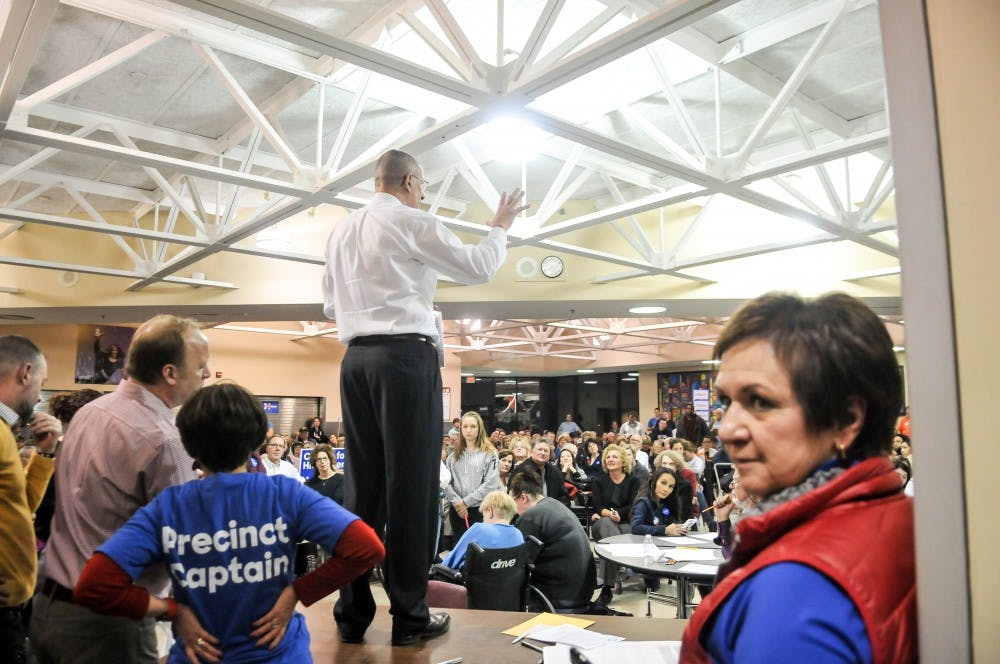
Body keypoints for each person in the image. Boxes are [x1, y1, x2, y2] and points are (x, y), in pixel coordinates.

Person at [323, 149, 526, 647]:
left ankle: (352, 613)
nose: (424, 194)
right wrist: (499, 225)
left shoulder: (341, 230)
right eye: (424, 186)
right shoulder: (413, 221)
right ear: (411, 180)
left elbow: (331, 303)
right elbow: (478, 266)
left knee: (361, 491)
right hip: (404, 361)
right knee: (412, 492)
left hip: (355, 362)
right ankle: (410, 616)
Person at [72, 383, 384, 663]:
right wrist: (297, 593)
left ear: (189, 444)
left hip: (198, 654)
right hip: (280, 654)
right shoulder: (284, 495)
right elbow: (366, 547)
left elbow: (93, 586)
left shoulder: (168, 508)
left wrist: (172, 610)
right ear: (256, 442)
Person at [680, 292, 916, 663]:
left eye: (760, 402)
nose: (727, 429)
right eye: (727, 402)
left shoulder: (792, 590)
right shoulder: (901, 517)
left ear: (846, 419)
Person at [31, 315, 211, 664]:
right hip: (108, 624)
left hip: (49, 605)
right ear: (170, 373)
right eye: (201, 365)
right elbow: (182, 541)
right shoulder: (164, 440)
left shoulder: (89, 413)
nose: (206, 374)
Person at [0, 335, 60, 664]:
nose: (39, 394)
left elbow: (19, 505)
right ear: (25, 373)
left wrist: (45, 452)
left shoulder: (6, 431)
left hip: (12, 606)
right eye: (41, 381)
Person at [509, 467, 595, 611]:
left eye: (512, 501)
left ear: (523, 498)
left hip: (560, 597)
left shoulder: (531, 517)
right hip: (581, 590)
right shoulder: (553, 505)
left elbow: (520, 563)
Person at [589, 443, 641, 606]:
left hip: (625, 523)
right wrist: (609, 514)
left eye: (615, 457)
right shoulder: (599, 480)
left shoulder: (633, 481)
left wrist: (619, 515)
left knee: (611, 541)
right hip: (603, 522)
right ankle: (617, 567)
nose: (611, 459)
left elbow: (633, 506)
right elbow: (596, 506)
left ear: (623, 461)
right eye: (608, 457)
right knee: (606, 526)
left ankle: (606, 588)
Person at [444, 412, 500, 539]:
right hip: (457, 510)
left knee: (479, 549)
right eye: (465, 426)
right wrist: (457, 502)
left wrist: (466, 502)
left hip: (480, 510)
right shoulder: (453, 456)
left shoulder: (490, 454)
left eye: (473, 426)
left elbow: (491, 484)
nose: (468, 430)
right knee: (460, 548)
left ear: (479, 428)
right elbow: (446, 482)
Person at [442, 490, 523, 571]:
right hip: (507, 582)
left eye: (484, 515)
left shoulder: (479, 529)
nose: (483, 519)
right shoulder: (518, 534)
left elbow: (449, 562)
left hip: (471, 582)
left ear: (490, 511)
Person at [510, 438, 569, 506]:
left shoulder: (555, 472)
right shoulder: (521, 470)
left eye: (546, 450)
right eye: (539, 450)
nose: (543, 453)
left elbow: (563, 497)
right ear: (532, 451)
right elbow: (514, 497)